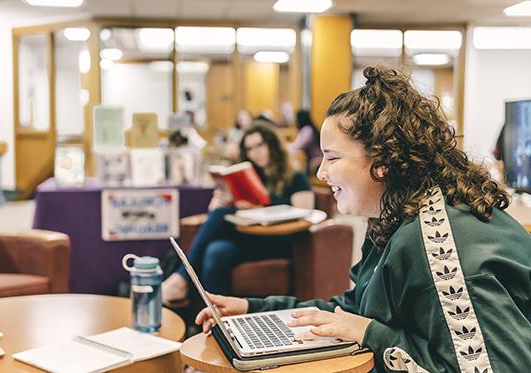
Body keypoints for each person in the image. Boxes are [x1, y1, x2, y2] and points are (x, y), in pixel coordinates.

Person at [195, 65, 531, 372]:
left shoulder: (441, 246)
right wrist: (253, 309)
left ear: (383, 161)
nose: (321, 172)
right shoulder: (396, 215)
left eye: (333, 158)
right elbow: (357, 308)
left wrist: (371, 334)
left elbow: (493, 368)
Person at [162, 122, 311, 306]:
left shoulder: (296, 177)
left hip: (281, 240)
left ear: (272, 144)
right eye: (249, 148)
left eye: (260, 145)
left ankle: (181, 278)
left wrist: (260, 211)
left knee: (220, 216)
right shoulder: (248, 177)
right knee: (214, 252)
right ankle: (216, 321)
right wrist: (219, 202)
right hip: (250, 239)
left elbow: (305, 215)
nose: (255, 152)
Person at [290, 109, 323, 175]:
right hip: (312, 159)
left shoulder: (307, 130)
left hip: (318, 159)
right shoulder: (306, 129)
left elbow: (298, 146)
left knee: (298, 169)